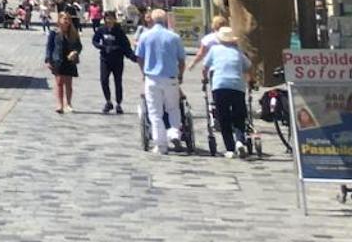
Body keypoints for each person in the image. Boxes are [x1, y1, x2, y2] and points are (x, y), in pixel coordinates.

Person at [136, 8, 187, 154]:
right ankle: (174, 133)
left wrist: (143, 72)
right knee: (173, 108)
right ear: (165, 20)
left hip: (152, 78)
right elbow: (182, 60)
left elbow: (139, 57)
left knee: (155, 113)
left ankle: (161, 144)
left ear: (151, 19)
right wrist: (180, 75)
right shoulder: (174, 37)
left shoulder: (145, 36)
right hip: (170, 78)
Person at [199, 26, 253, 158]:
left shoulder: (214, 50)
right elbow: (248, 67)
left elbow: (205, 68)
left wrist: (204, 79)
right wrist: (251, 81)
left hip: (220, 86)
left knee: (223, 117)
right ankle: (240, 141)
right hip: (237, 86)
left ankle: (230, 148)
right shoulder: (238, 52)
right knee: (239, 116)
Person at [92, 15, 133, 114]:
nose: (109, 20)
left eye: (111, 18)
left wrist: (131, 56)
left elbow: (126, 45)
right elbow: (94, 41)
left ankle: (119, 103)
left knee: (118, 81)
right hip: (105, 59)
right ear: (105, 19)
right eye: (107, 18)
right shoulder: (101, 30)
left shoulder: (119, 31)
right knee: (104, 80)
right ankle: (108, 101)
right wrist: (102, 47)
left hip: (117, 59)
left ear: (114, 19)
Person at [44, 9, 81, 113]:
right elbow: (49, 47)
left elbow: (79, 46)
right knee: (59, 83)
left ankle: (68, 104)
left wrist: (75, 52)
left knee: (69, 83)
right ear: (59, 19)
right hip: (58, 59)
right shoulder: (54, 32)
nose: (66, 21)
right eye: (64, 19)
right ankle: (60, 105)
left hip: (70, 60)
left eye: (68, 19)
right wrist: (48, 59)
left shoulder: (73, 32)